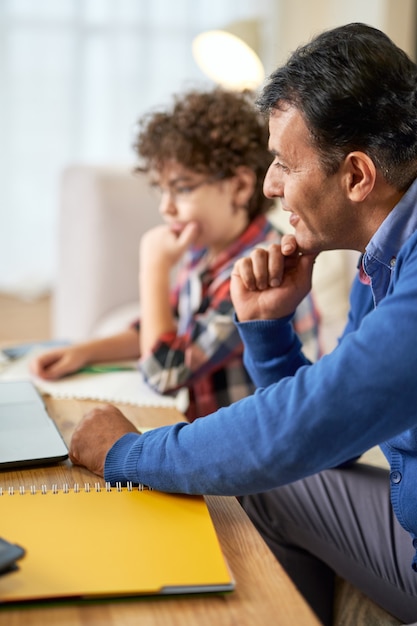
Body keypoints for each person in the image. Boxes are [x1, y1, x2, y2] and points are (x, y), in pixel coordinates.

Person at [67, 22, 417, 624]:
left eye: (283, 162)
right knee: (263, 482)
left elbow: (297, 429)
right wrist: (268, 328)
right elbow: (328, 439)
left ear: (357, 176)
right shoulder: (381, 261)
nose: (269, 185)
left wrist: (126, 454)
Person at [30, 88, 319, 422]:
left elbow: (165, 373)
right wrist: (81, 352)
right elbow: (162, 326)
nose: (166, 207)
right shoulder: (203, 250)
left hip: (252, 446)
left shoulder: (257, 267)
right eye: (162, 190)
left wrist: (153, 268)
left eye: (182, 188)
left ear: (240, 187)